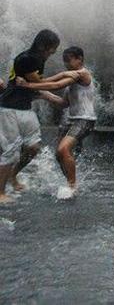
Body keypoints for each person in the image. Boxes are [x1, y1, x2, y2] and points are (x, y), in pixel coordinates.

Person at [18, 46, 95, 196]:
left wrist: (29, 84)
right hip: (72, 120)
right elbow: (63, 103)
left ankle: (73, 187)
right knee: (58, 155)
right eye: (64, 61)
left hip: (85, 120)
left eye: (69, 60)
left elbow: (57, 84)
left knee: (63, 150)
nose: (66, 63)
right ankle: (71, 183)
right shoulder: (71, 81)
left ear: (80, 59)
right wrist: (42, 93)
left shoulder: (83, 74)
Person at [0, 29, 61, 203]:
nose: (53, 53)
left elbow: (30, 87)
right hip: (9, 109)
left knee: (33, 147)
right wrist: (65, 79)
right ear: (42, 45)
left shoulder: (38, 59)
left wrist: (45, 96)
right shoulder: (28, 59)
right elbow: (38, 83)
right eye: (52, 49)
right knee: (10, 151)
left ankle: (12, 175)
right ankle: (0, 192)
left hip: (25, 108)